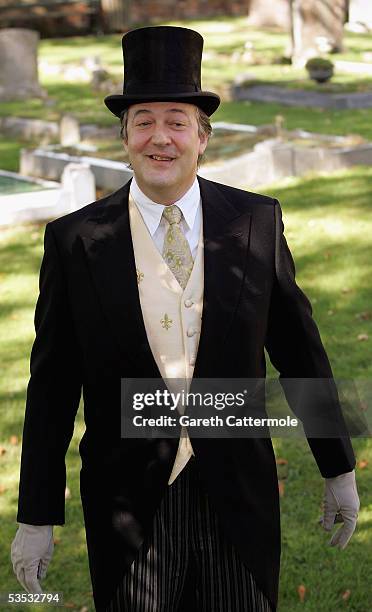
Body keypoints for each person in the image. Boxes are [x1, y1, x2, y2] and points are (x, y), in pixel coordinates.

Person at [11, 26, 360, 612]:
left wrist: (338, 468)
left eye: (177, 120)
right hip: (127, 505)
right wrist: (37, 516)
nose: (160, 138)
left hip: (238, 494)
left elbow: (301, 350)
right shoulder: (75, 241)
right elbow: (50, 388)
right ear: (124, 136)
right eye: (143, 120)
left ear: (203, 137)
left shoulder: (254, 223)